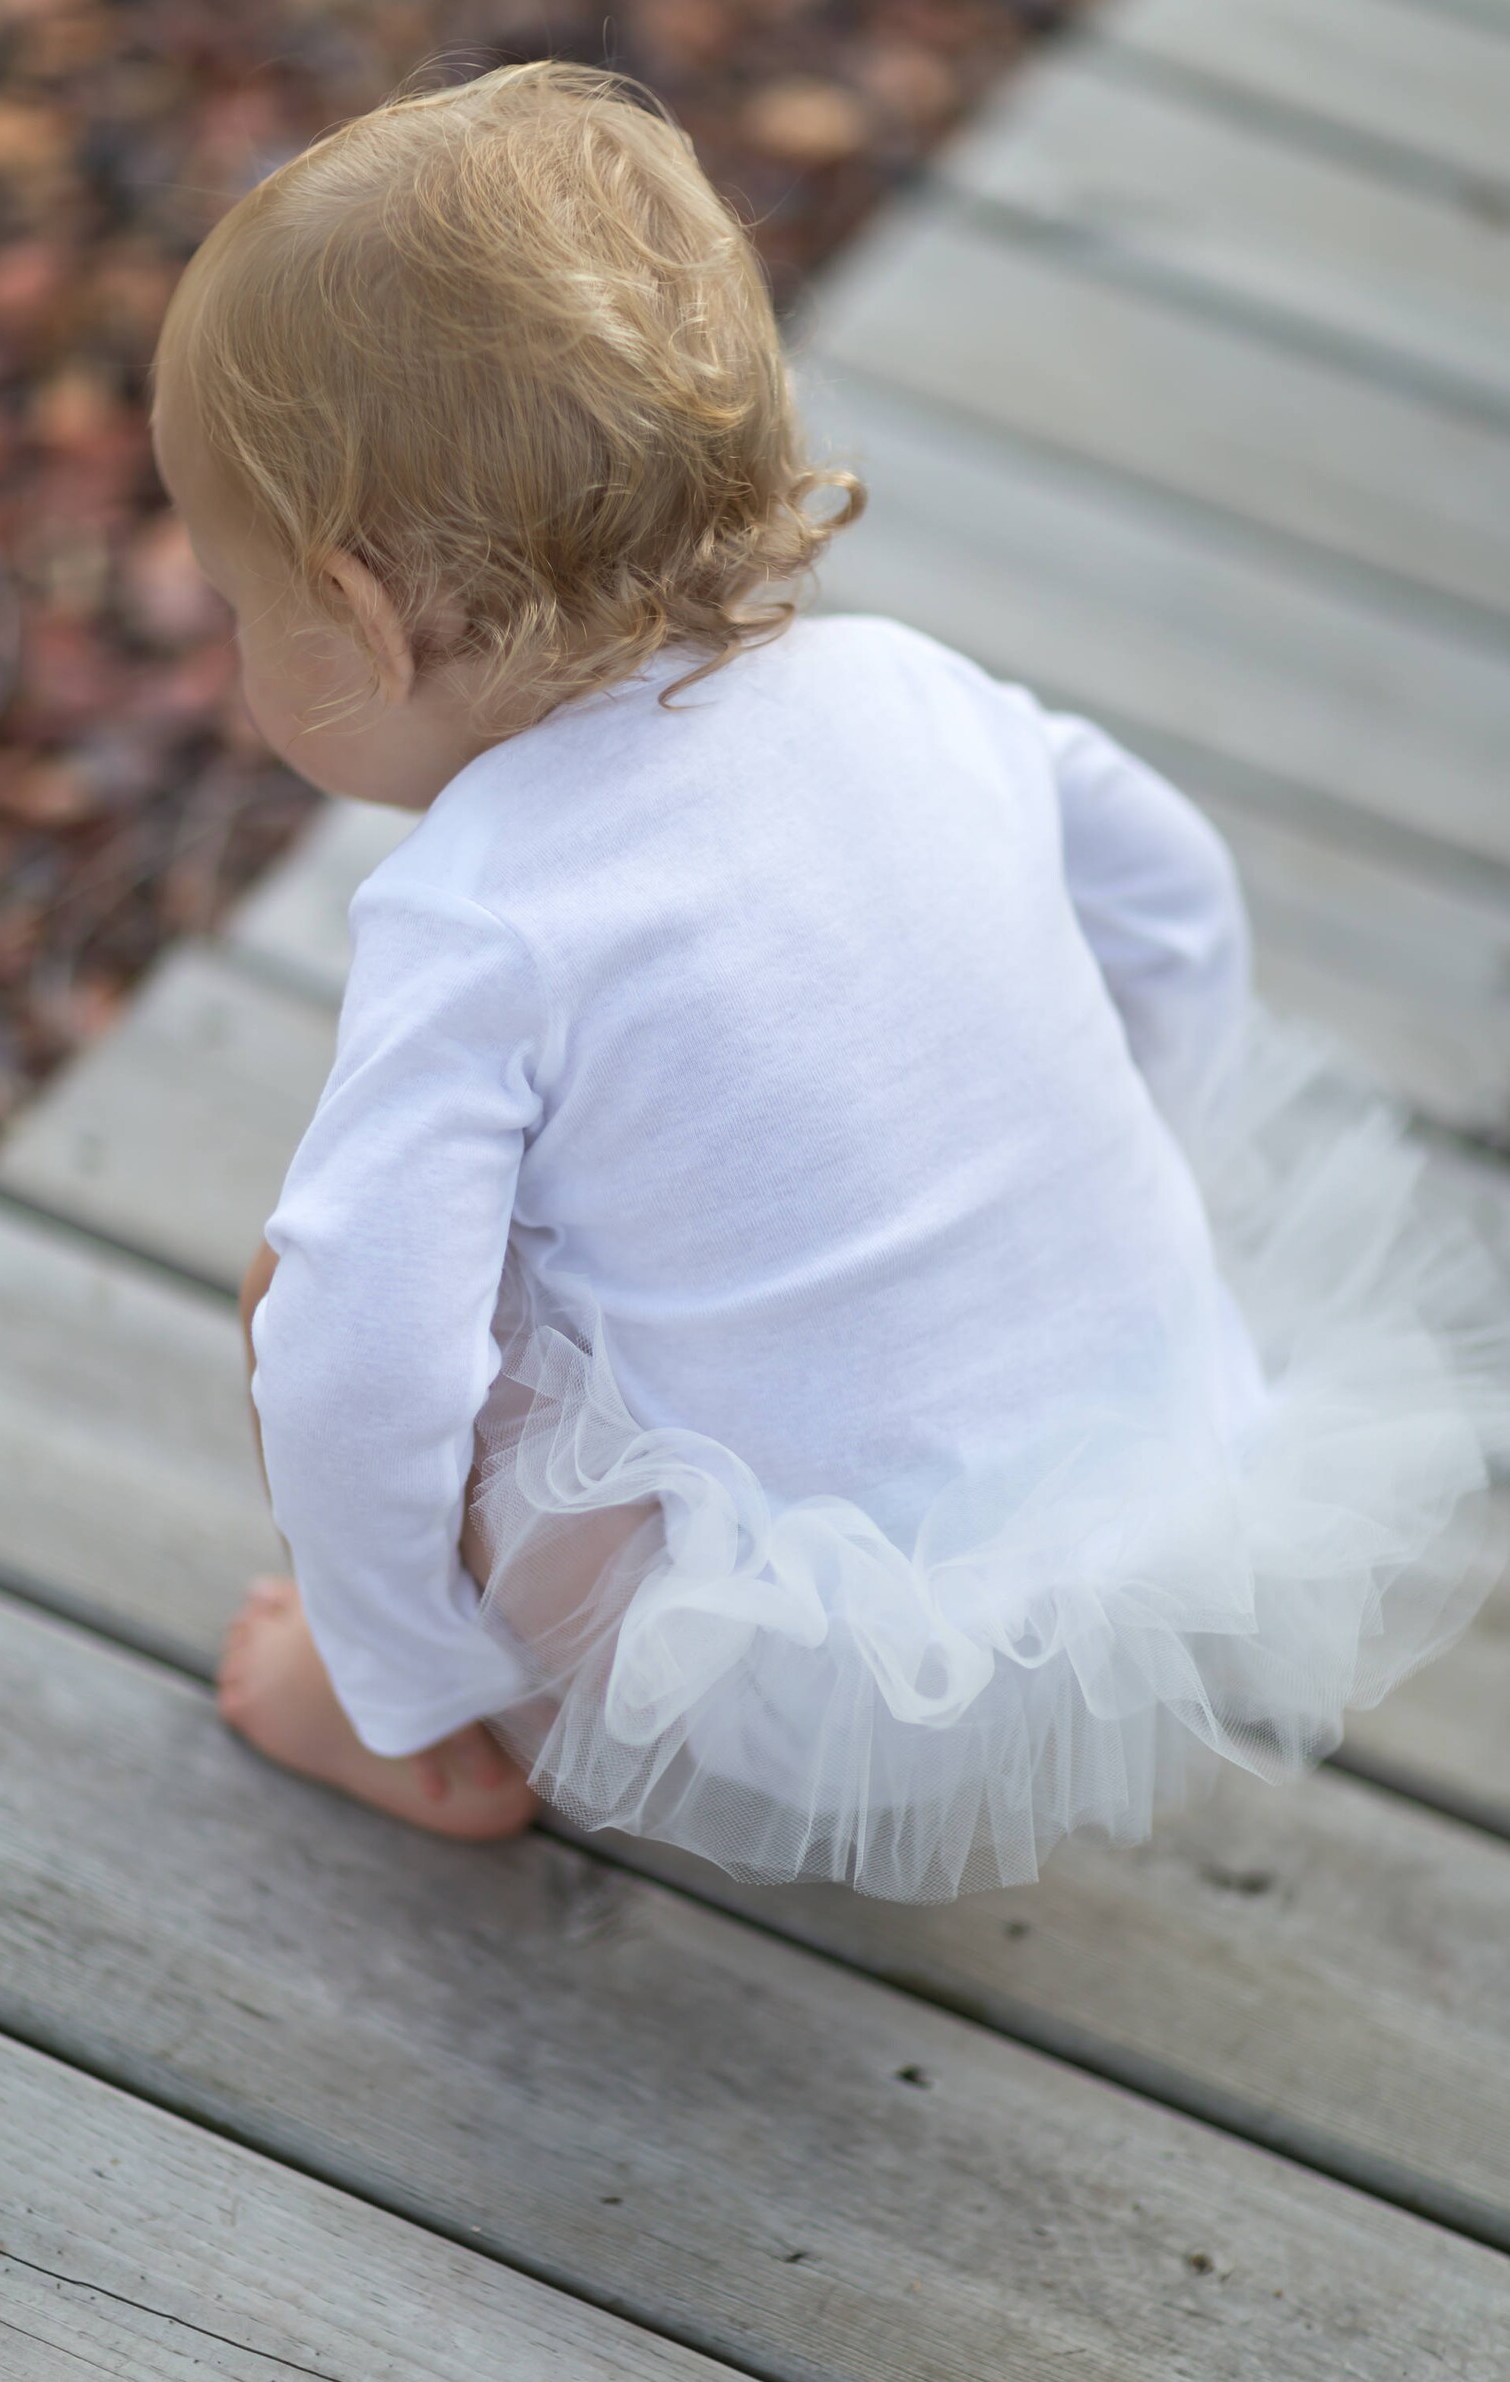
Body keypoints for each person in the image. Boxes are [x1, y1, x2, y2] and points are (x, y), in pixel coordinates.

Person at [149, 59, 1510, 1903]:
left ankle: (420, 1725)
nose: (239, 647)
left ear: (362, 620)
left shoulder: (482, 911)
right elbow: (1177, 906)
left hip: (807, 1671)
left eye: (242, 607)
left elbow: (357, 1365)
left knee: (294, 1284)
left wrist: (402, 1662)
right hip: (1171, 1485)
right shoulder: (912, 686)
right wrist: (1127, 1152)